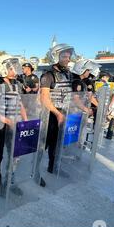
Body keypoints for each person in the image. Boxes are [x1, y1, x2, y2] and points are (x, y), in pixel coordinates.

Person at [0, 54, 28, 196]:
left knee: (15, 154)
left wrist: (25, 119)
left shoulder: (16, 83)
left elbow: (20, 103)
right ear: (2, 68)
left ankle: (10, 180)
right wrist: (7, 121)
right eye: (11, 68)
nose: (15, 70)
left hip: (14, 125)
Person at [40, 44, 76, 174]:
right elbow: (44, 98)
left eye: (68, 56)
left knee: (57, 143)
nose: (68, 59)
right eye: (64, 56)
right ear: (55, 57)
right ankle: (35, 171)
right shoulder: (48, 75)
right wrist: (57, 114)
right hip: (50, 115)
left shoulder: (68, 74)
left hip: (63, 113)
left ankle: (53, 167)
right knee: (43, 144)